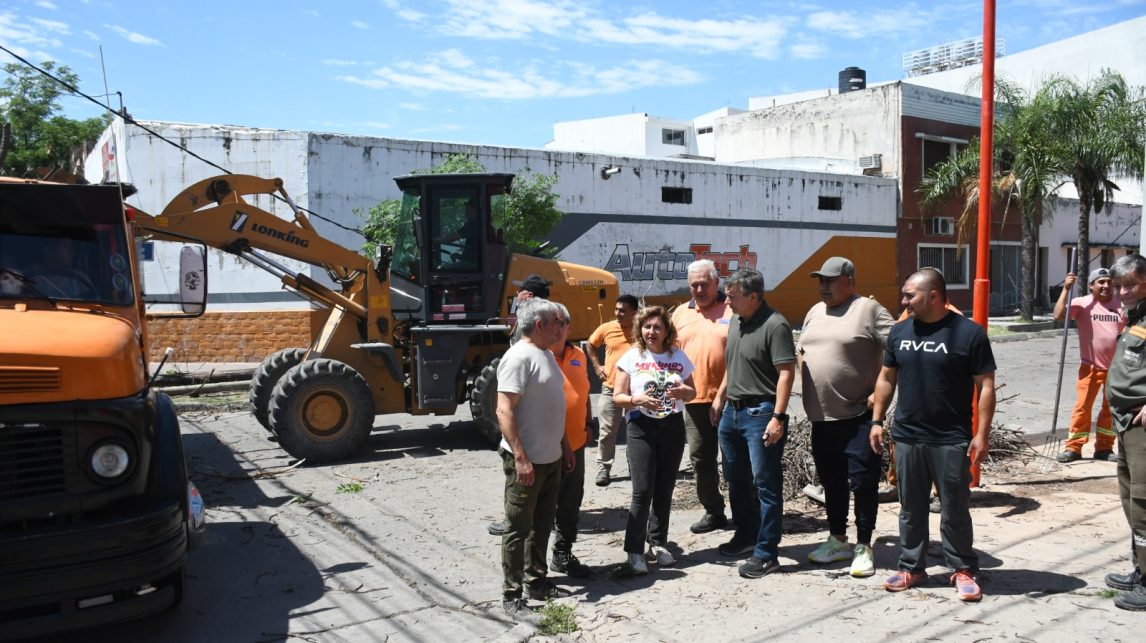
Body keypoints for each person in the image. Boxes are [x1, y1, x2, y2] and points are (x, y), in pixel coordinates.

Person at [871, 268, 996, 602]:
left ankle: (964, 568)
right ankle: (911, 566)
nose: (903, 301)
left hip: (951, 438)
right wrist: (876, 420)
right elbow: (886, 378)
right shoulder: (899, 332)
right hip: (908, 435)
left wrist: (981, 435)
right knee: (910, 508)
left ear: (934, 296)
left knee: (954, 507)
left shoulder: (969, 334)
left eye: (910, 295)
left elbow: (985, 386)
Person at [798, 257, 895, 578]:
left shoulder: (869, 310)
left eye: (830, 280)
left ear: (850, 281)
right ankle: (838, 539)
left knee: (864, 484)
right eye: (820, 280)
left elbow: (899, 352)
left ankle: (865, 546)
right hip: (822, 419)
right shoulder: (815, 311)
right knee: (832, 483)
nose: (823, 286)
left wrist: (880, 394)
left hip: (859, 417)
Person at [712, 268, 796, 579]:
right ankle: (746, 534)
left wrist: (778, 417)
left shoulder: (776, 325)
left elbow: (787, 372)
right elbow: (732, 363)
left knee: (766, 485)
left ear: (754, 296)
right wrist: (720, 397)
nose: (727, 301)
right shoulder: (736, 320)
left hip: (760, 415)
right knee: (735, 478)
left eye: (733, 297)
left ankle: (766, 553)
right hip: (731, 413)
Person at [496, 298, 574, 618]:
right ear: (539, 325)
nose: (561, 327)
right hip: (526, 461)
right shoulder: (518, 357)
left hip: (550, 457)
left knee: (542, 524)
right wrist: (521, 457)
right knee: (518, 526)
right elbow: (504, 410)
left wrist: (565, 445)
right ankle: (512, 595)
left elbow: (553, 405)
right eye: (556, 322)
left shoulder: (546, 356)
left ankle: (537, 581)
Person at [612, 305, 696, 573]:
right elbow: (617, 396)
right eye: (647, 326)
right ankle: (634, 551)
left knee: (664, 489)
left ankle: (658, 543)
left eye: (657, 327)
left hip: (672, 427)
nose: (651, 331)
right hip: (641, 427)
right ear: (640, 329)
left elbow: (692, 393)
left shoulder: (678, 356)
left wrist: (685, 391)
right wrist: (635, 399)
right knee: (642, 490)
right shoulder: (632, 357)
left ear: (666, 330)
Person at [671, 259, 732, 533]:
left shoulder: (733, 308)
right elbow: (670, 353)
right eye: (694, 285)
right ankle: (714, 511)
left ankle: (746, 512)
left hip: (731, 399)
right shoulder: (680, 314)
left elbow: (740, 357)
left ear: (716, 283)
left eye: (704, 284)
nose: (698, 289)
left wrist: (722, 396)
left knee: (735, 460)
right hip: (694, 400)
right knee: (701, 458)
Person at [1101, 253, 1146, 611]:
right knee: (1132, 500)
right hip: (1126, 424)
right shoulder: (1136, 316)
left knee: (1144, 503)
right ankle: (1141, 569)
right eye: (1118, 286)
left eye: (1129, 284)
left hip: (1142, 427)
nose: (1122, 292)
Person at [1053, 267, 1125, 462]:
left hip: (1117, 368)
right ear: (1091, 285)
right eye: (1101, 282)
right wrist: (1066, 289)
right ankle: (1074, 448)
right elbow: (1058, 315)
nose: (1106, 285)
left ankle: (1104, 448)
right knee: (1083, 407)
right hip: (1090, 366)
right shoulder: (1082, 304)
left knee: (1110, 409)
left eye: (1109, 282)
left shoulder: (1122, 304)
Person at [548, 303, 594, 578]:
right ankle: (533, 568)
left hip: (576, 442)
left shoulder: (579, 354)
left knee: (570, 502)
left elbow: (585, 391)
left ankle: (562, 553)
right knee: (544, 504)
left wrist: (589, 422)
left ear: (568, 327)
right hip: (546, 444)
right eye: (551, 323)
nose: (556, 328)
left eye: (560, 323)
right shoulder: (537, 356)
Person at [587, 294, 639, 486]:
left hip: (636, 391)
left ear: (634, 312)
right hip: (610, 388)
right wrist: (596, 366)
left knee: (637, 430)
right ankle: (604, 467)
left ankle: (636, 466)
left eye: (623, 310)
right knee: (607, 431)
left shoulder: (642, 329)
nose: (618, 314)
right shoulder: (607, 328)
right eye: (616, 309)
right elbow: (591, 345)